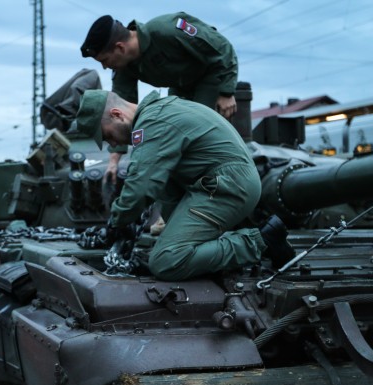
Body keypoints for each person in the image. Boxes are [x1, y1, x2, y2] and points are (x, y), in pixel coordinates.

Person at [75, 89, 295, 280]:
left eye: (107, 136)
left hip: (227, 185)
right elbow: (154, 181)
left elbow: (141, 185)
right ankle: (207, 252)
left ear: (117, 115)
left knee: (165, 261)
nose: (112, 144)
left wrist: (116, 223)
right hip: (222, 182)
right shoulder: (161, 111)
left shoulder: (152, 124)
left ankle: (261, 241)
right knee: (166, 185)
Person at [81, 13, 239, 233]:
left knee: (194, 146)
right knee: (168, 146)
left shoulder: (167, 29)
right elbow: (118, 111)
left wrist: (227, 91)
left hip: (210, 78)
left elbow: (221, 47)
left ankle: (216, 206)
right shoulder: (125, 66)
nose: (106, 68)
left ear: (120, 47)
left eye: (105, 61)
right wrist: (114, 160)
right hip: (180, 88)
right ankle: (175, 213)